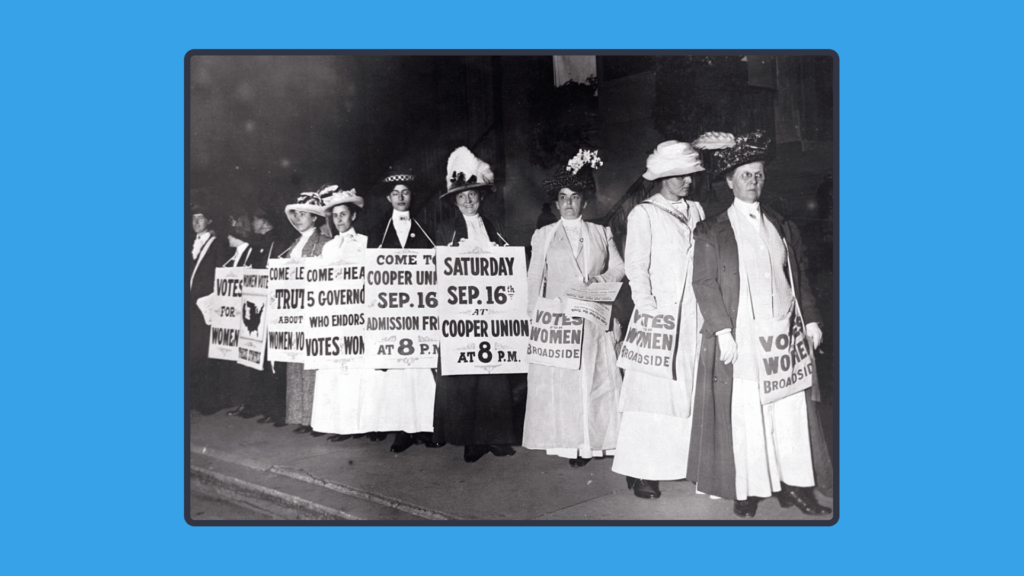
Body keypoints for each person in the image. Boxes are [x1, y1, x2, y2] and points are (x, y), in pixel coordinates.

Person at [689, 131, 833, 518]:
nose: (754, 181)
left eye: (759, 175)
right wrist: (722, 330)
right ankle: (748, 490)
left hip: (784, 335)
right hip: (746, 337)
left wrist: (813, 319)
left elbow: (798, 275)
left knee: (789, 412)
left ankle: (795, 487)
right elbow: (703, 283)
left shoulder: (782, 225)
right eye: (746, 175)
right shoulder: (711, 230)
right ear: (730, 181)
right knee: (750, 413)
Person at [613, 141, 706, 499]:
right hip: (658, 317)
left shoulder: (696, 210)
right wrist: (649, 310)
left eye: (690, 175)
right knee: (651, 394)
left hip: (693, 315)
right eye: (679, 175)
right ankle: (641, 471)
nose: (687, 181)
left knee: (685, 390)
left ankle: (683, 462)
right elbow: (636, 267)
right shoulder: (644, 214)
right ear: (662, 177)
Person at [523, 150, 625, 467]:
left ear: (584, 202)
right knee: (565, 384)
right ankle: (572, 445)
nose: (569, 203)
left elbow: (620, 269)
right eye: (563, 198)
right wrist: (533, 317)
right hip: (558, 321)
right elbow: (534, 278)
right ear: (556, 204)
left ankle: (595, 441)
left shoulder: (600, 232)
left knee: (595, 381)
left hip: (594, 317)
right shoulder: (543, 235)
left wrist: (598, 279)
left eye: (575, 197)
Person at [432, 147, 522, 462]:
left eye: (472, 194)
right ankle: (471, 440)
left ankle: (495, 437)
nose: (468, 200)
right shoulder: (445, 232)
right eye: (461, 196)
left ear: (481, 197)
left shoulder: (497, 227)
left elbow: (514, 265)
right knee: (464, 377)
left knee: (494, 377)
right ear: (454, 201)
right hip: (461, 315)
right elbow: (438, 275)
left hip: (494, 313)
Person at [362, 167, 438, 453]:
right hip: (392, 315)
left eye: (405, 193)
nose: (401, 197)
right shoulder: (377, 233)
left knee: (420, 369)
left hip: (419, 313)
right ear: (388, 198)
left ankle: (425, 427)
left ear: (411, 196)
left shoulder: (425, 230)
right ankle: (403, 431)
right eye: (395, 194)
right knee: (397, 373)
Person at [307, 187, 369, 443]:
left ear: (353, 216)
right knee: (334, 369)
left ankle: (358, 424)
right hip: (333, 316)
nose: (339, 220)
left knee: (355, 370)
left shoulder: (364, 242)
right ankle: (336, 423)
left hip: (356, 316)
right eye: (335, 216)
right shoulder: (329, 247)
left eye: (344, 215)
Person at [280, 188, 332, 436]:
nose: (297, 218)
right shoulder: (292, 245)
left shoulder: (324, 244)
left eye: (303, 214)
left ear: (315, 218)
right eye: (295, 214)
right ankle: (301, 415)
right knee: (297, 362)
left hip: (315, 310)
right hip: (295, 311)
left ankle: (317, 416)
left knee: (314, 365)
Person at [247, 202, 289, 427]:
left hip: (273, 309)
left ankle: (279, 410)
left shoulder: (277, 242)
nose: (252, 223)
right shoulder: (261, 243)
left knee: (275, 363)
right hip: (259, 309)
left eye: (254, 219)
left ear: (263, 221)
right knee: (263, 360)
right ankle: (269, 408)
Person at [189, 199, 231, 415]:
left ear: (209, 220)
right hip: (190, 306)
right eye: (193, 218)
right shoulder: (190, 243)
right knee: (193, 353)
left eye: (200, 218)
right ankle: (194, 398)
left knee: (207, 353)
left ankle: (209, 400)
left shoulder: (217, 243)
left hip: (207, 306)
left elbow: (221, 274)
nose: (196, 222)